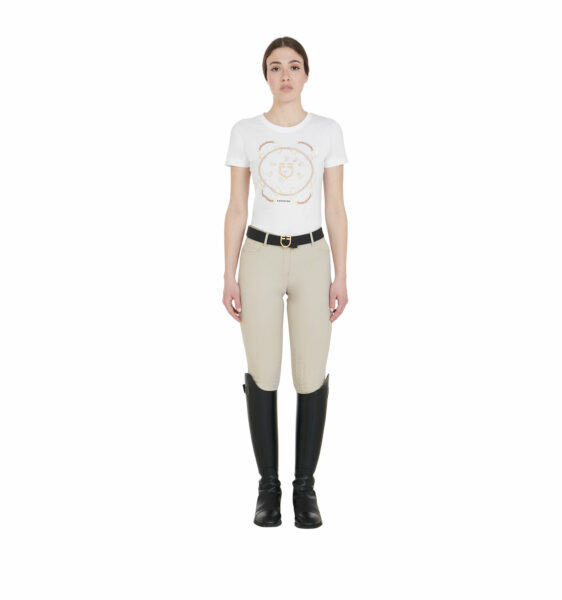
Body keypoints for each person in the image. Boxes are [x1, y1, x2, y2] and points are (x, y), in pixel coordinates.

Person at [222, 36, 349, 528]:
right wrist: (229, 273)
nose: (285, 76)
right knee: (263, 370)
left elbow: (335, 208)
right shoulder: (245, 131)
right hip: (260, 255)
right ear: (266, 76)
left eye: (294, 66)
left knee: (311, 372)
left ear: (307, 74)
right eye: (275, 67)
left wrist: (341, 273)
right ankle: (268, 488)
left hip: (313, 255)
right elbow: (236, 207)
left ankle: (305, 488)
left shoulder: (327, 131)